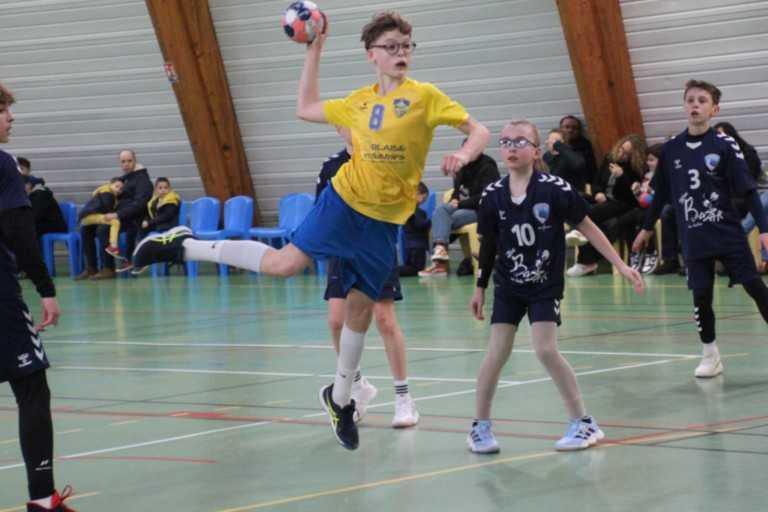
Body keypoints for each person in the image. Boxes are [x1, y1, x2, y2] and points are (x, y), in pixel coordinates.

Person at [131, 11, 490, 450]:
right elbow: (304, 107)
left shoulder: (426, 96)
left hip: (384, 221)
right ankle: (184, 245)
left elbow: (479, 130)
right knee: (284, 265)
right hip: (344, 202)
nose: (401, 53)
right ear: (372, 55)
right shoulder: (357, 102)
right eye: (392, 46)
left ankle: (340, 399)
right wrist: (314, 50)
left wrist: (464, 155)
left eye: (407, 46)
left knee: (361, 309)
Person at [466, 120, 644, 454]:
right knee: (496, 353)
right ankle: (480, 426)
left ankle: (583, 422)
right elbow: (488, 244)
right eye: (505, 141)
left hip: (544, 284)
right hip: (508, 284)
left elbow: (588, 227)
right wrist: (479, 287)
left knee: (545, 349)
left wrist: (621, 265)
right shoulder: (492, 195)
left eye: (521, 142)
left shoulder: (555, 189)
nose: (512, 147)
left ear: (536, 151)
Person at [633, 80, 768, 378]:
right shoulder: (671, 149)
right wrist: (646, 228)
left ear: (714, 109)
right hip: (693, 235)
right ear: (684, 106)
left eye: (702, 100)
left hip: (727, 232)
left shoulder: (724, 145)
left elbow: (748, 190)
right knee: (701, 295)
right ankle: (710, 355)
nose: (695, 105)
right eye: (690, 100)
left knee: (755, 287)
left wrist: (764, 230)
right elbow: (661, 193)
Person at [0, 83, 76, 511]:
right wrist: (46, 290)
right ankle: (43, 499)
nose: (11, 118)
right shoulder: (3, 164)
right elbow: (20, 233)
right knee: (31, 386)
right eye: (3, 110)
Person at [317, 131, 419, 427]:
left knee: (385, 320)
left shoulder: (384, 159)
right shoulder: (331, 166)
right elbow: (322, 210)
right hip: (342, 251)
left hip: (376, 248)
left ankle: (404, 399)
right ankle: (357, 386)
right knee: (336, 321)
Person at [565, 134, 645, 276]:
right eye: (621, 149)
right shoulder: (609, 158)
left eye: (627, 154)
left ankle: (585, 259)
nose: (621, 154)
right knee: (577, 198)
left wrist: (622, 176)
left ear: (634, 157)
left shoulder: (635, 168)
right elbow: (596, 181)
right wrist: (598, 192)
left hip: (623, 203)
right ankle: (584, 250)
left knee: (595, 216)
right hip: (604, 200)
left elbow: (633, 195)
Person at [419, 141, 499, 276]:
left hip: (482, 211)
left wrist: (460, 204)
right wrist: (454, 199)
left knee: (442, 219)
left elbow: (486, 196)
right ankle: (440, 251)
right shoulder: (461, 167)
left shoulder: (488, 167)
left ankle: (440, 266)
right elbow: (457, 191)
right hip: (463, 207)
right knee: (440, 212)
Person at [78, 177, 124, 260]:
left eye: (121, 189)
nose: (118, 190)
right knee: (115, 222)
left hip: (87, 218)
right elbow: (108, 208)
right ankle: (113, 246)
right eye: (116, 186)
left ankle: (94, 262)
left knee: (108, 223)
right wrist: (113, 214)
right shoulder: (107, 193)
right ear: (110, 184)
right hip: (90, 216)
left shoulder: (103, 191)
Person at [399, 182, 431, 277]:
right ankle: (392, 271)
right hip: (417, 246)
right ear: (416, 193)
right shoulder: (416, 210)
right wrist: (430, 222)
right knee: (416, 269)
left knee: (410, 266)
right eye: (423, 198)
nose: (424, 201)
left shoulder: (406, 209)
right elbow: (420, 225)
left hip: (409, 245)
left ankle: (393, 271)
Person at [543, 128, 588, 194]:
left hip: (573, 194)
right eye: (551, 140)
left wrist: (558, 145)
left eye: (557, 141)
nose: (553, 143)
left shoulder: (571, 154)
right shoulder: (546, 156)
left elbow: (578, 164)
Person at [559, 115, 598, 186]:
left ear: (579, 131)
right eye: (567, 127)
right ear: (561, 129)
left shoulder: (585, 147)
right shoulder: (556, 144)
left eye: (574, 128)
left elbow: (590, 172)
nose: (570, 130)